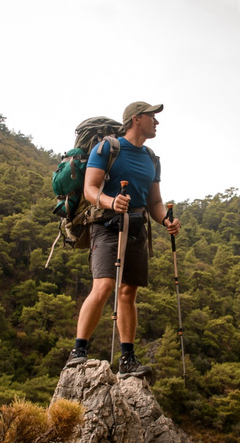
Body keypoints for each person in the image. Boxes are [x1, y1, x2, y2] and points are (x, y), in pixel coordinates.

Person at [65, 101, 181, 379]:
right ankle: (78, 351)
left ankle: (127, 359)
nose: (157, 122)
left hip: (138, 227)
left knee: (128, 293)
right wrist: (110, 201)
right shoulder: (107, 148)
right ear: (137, 119)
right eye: (153, 117)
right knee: (104, 285)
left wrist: (166, 219)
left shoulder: (152, 158)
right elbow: (90, 188)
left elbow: (155, 201)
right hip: (106, 224)